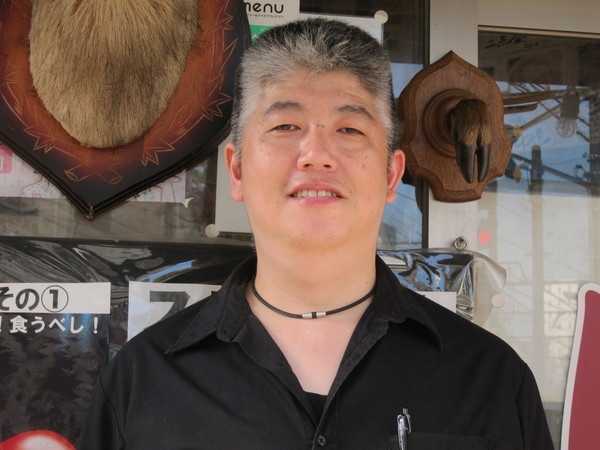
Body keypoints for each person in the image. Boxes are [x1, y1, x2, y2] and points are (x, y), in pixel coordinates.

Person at [79, 18, 553, 449]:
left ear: (391, 175)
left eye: (350, 130)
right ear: (237, 170)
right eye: (286, 125)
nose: (316, 155)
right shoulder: (140, 380)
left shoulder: (491, 378)